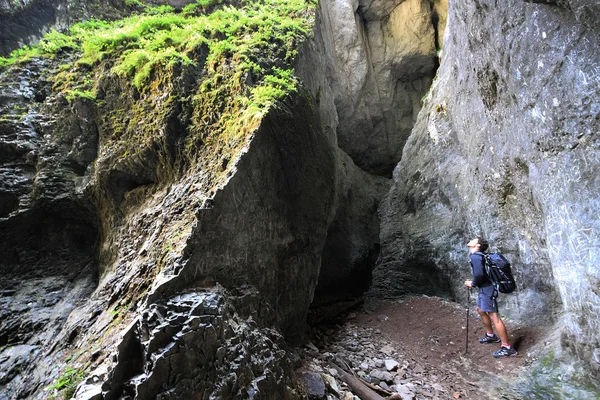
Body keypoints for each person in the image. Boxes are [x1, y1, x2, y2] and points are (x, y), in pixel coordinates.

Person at [464, 236, 517, 358]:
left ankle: (507, 347)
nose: (471, 240)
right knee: (480, 309)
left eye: (474, 240)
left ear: (477, 246)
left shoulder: (476, 256)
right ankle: (491, 335)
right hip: (485, 288)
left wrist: (472, 284)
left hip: (488, 289)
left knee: (494, 316)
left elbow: (479, 274)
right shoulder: (480, 256)